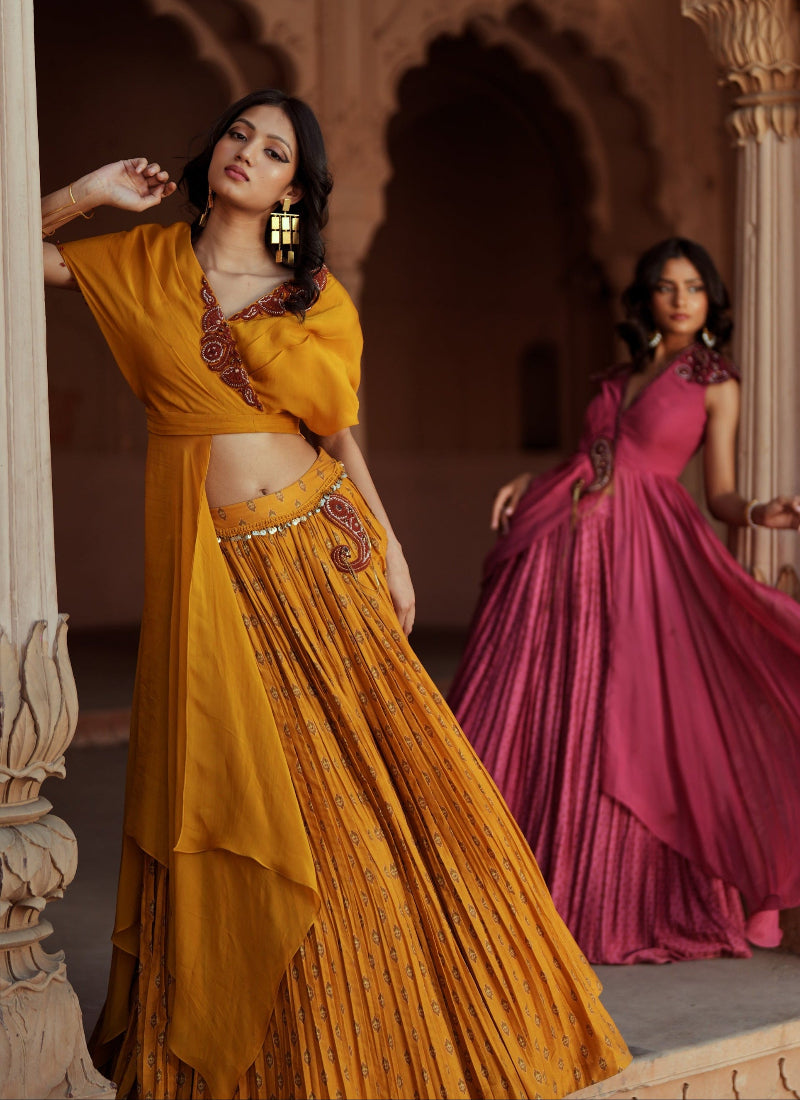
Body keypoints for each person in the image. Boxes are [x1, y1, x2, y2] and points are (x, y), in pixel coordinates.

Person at [41, 89, 630, 1099]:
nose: (247, 153)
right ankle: (278, 1041)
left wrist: (390, 538)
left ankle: (412, 1017)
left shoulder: (308, 292)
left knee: (381, 791)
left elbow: (334, 426)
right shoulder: (137, 265)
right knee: (252, 794)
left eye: (273, 151)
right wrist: (93, 190)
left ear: (290, 189)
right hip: (214, 566)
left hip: (323, 545)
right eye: (237, 134)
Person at [448, 238, 800, 967]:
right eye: (666, 286)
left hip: (643, 552)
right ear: (644, 299)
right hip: (560, 547)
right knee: (543, 708)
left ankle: (612, 890)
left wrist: (760, 510)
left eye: (694, 287)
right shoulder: (616, 373)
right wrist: (530, 480)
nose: (679, 298)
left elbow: (720, 492)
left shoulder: (716, 381)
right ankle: (502, 884)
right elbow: (591, 456)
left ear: (710, 302)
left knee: (629, 713)